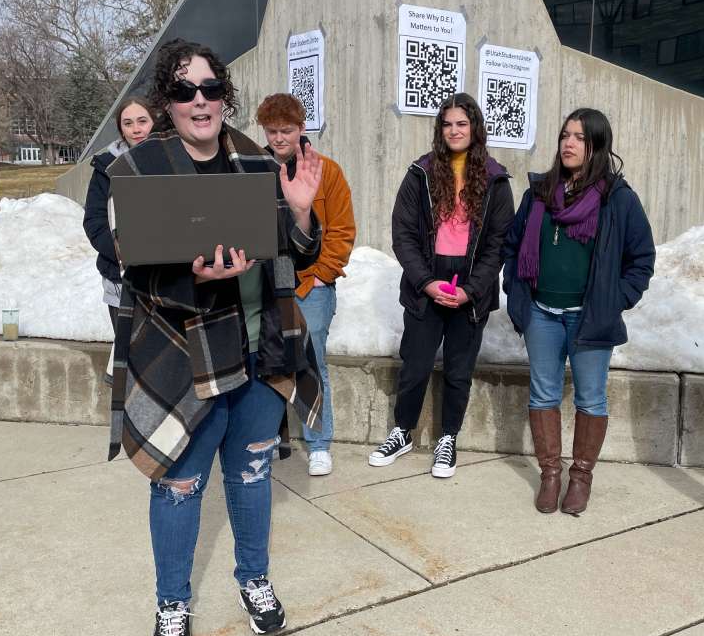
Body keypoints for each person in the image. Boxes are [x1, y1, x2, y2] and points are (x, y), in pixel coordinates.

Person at [104, 38, 324, 636]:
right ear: (166, 103)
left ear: (225, 96)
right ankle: (172, 600)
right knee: (179, 486)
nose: (198, 101)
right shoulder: (141, 170)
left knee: (252, 475)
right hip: (187, 358)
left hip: (262, 352)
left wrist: (302, 215)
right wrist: (192, 279)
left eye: (209, 88)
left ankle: (252, 577)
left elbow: (296, 252)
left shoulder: (257, 165)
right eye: (183, 90)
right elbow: (129, 267)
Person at [502, 108, 655, 515]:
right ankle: (550, 474)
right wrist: (513, 289)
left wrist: (614, 299)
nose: (568, 144)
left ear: (597, 147)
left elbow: (641, 259)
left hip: (589, 318)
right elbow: (513, 245)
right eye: (565, 135)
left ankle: (581, 476)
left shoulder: (617, 199)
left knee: (591, 399)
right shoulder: (538, 193)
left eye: (580, 138)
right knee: (544, 393)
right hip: (541, 314)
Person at [369, 93, 514, 478]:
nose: (454, 130)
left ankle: (448, 438)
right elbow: (403, 234)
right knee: (414, 366)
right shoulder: (421, 173)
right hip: (426, 287)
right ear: (440, 129)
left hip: (470, 291)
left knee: (458, 370)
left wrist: (473, 289)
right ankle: (402, 431)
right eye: (447, 124)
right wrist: (426, 282)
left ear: (475, 129)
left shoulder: (497, 180)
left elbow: (499, 243)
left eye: (462, 124)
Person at [256, 93, 356, 477]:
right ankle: (269, 438)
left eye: (287, 130)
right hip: (268, 282)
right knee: (266, 362)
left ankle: (318, 443)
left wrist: (321, 274)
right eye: (272, 131)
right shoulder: (255, 168)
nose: (279, 138)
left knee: (312, 360)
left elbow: (343, 230)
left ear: (301, 129)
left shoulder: (326, 170)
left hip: (312, 285)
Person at [82, 95, 154, 331]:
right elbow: (95, 221)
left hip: (167, 278)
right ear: (121, 128)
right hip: (121, 276)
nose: (136, 129)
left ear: (155, 121)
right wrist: (124, 253)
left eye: (142, 121)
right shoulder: (106, 167)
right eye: (128, 123)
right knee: (128, 354)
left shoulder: (174, 158)